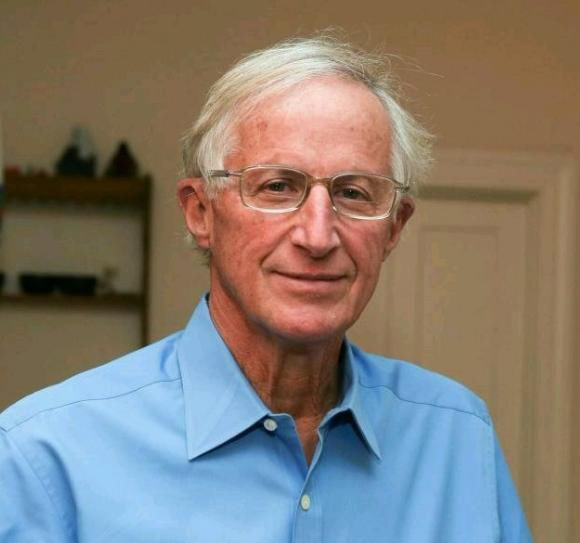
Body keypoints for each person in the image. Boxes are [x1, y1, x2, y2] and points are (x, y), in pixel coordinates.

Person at [0, 36, 531, 542]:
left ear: (393, 228)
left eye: (353, 192)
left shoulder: (458, 441)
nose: (317, 236)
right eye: (277, 186)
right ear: (201, 213)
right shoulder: (48, 458)